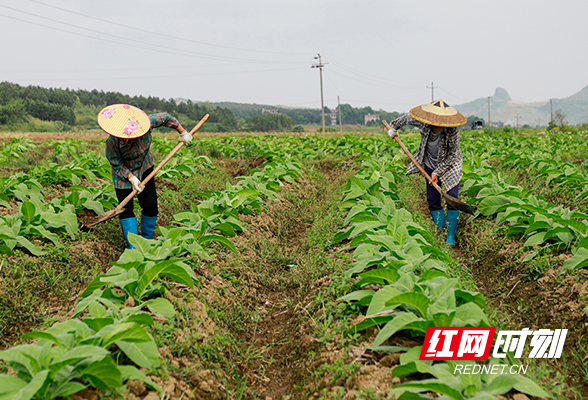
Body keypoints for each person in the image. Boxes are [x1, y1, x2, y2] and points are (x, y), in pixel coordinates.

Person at [98, 104, 193, 248]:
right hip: (123, 174)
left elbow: (166, 118)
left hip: (144, 167)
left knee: (150, 205)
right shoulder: (112, 142)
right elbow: (115, 163)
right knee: (125, 209)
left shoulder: (146, 123)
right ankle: (134, 247)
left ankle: (147, 240)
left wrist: (182, 132)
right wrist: (131, 177)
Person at [387, 99, 466, 246]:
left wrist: (438, 172)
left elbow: (452, 155)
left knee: (452, 198)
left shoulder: (452, 130)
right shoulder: (424, 122)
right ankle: (441, 233)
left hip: (450, 166)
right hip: (429, 163)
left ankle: (450, 237)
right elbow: (407, 117)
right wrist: (394, 128)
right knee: (433, 200)